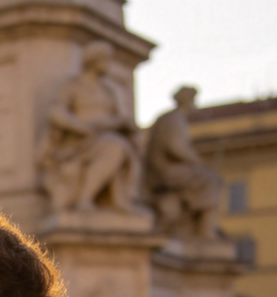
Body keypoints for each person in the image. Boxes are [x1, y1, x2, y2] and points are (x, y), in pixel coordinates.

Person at [38, 40, 141, 214]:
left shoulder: (110, 90)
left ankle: (101, 198)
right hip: (80, 139)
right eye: (104, 59)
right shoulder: (74, 86)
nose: (108, 64)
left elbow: (119, 117)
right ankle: (85, 197)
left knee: (118, 145)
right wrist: (80, 126)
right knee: (116, 146)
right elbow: (56, 112)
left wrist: (124, 124)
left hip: (106, 135)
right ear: (93, 60)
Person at [144, 85, 224, 239]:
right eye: (194, 99)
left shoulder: (170, 118)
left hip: (161, 170)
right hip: (165, 171)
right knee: (211, 180)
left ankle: (203, 227)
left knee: (209, 178)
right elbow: (174, 147)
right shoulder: (175, 119)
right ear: (188, 101)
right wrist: (197, 161)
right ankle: (205, 231)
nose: (195, 104)